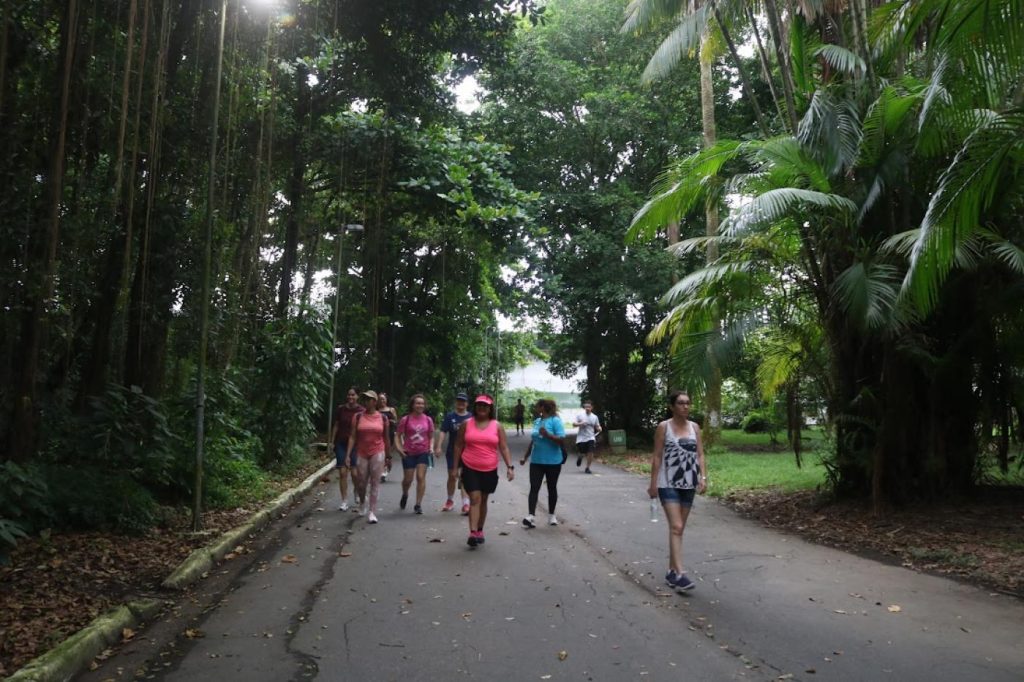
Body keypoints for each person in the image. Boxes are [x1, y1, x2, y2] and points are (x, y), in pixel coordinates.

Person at [648, 390, 707, 592]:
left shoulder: (695, 428)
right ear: (672, 407)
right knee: (676, 526)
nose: (685, 406)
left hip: (689, 483)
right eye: (681, 403)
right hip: (668, 482)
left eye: (688, 403)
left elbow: (700, 454)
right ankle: (680, 574)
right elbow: (656, 456)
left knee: (679, 529)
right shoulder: (664, 427)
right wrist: (653, 483)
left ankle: (671, 572)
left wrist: (703, 477)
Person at [453, 394, 515, 547]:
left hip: (489, 468)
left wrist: (509, 467)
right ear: (475, 407)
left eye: (485, 406)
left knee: (484, 499)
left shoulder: (497, 426)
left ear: (490, 409)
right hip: (469, 466)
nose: (482, 408)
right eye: (479, 405)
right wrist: (455, 467)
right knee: (475, 498)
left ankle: (480, 529)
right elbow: (458, 445)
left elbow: (504, 447)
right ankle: (473, 533)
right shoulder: (466, 424)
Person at [521, 398, 566, 528]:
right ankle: (530, 516)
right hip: (536, 461)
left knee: (552, 488)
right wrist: (525, 457)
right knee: (534, 487)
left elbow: (561, 440)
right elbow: (533, 440)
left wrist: (548, 435)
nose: (535, 408)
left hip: (553, 462)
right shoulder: (537, 421)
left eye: (537, 406)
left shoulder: (555, 421)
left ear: (542, 407)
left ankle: (552, 515)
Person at [347, 390, 389, 524]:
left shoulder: (383, 418)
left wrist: (388, 457)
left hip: (378, 451)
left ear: (375, 402)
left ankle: (372, 511)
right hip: (361, 452)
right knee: (361, 482)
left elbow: (386, 438)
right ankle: (362, 502)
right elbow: (353, 436)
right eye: (365, 399)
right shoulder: (358, 416)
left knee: (375, 482)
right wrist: (348, 455)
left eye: (369, 399)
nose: (366, 401)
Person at [395, 394, 434, 514]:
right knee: (408, 479)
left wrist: (431, 447)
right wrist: (399, 449)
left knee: (421, 477)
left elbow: (431, 436)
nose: (420, 405)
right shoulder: (405, 419)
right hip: (409, 453)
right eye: (417, 403)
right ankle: (405, 494)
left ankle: (418, 504)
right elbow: (398, 436)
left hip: (423, 452)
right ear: (412, 405)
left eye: (422, 403)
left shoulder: (428, 419)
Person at [436, 392, 474, 513]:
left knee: (464, 477)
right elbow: (443, 431)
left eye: (463, 401)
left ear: (467, 403)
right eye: (459, 401)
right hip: (452, 451)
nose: (461, 403)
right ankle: (450, 500)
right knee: (452, 476)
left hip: (468, 451)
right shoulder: (450, 416)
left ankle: (466, 504)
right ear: (456, 403)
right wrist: (438, 446)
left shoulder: (472, 417)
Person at [329, 387, 364, 511]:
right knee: (343, 473)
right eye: (349, 395)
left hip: (355, 445)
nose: (350, 397)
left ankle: (356, 491)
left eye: (353, 395)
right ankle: (344, 500)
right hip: (341, 443)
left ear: (357, 396)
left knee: (354, 473)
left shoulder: (361, 411)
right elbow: (336, 425)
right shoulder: (340, 409)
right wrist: (332, 442)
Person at [574, 400, 602, 474]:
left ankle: (587, 468)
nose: (587, 408)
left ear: (592, 407)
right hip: (581, 438)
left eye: (589, 407)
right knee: (582, 452)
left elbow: (597, 425)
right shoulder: (580, 415)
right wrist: (581, 423)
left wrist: (599, 428)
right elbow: (573, 424)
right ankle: (580, 456)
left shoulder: (594, 417)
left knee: (590, 452)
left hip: (591, 437)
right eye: (586, 406)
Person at [378, 392, 399, 482]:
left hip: (389, 433)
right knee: (380, 452)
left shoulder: (391, 410)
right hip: (379, 433)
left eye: (383, 399)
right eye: (380, 399)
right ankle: (382, 470)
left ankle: (386, 468)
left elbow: (396, 421)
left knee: (387, 452)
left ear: (386, 400)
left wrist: (390, 421)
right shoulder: (376, 410)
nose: (381, 400)